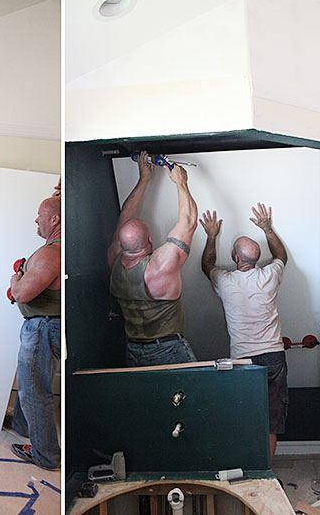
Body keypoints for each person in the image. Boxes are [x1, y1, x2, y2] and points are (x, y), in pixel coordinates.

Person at [199, 202, 288, 461]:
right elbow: (281, 255)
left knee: (244, 414)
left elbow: (206, 264)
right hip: (273, 356)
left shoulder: (224, 281)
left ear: (236, 259)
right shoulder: (271, 275)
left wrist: (212, 236)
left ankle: (249, 467)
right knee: (271, 418)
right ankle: (266, 472)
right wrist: (268, 229)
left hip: (242, 360)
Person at [107, 151, 198, 367]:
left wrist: (143, 180)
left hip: (133, 350)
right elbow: (189, 222)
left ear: (121, 243)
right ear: (150, 238)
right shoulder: (159, 267)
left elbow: (125, 219)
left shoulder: (113, 260)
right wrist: (181, 183)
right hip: (167, 349)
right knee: (195, 398)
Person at [8, 196, 61, 470]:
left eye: (40, 215)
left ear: (55, 219)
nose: (36, 220)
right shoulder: (56, 249)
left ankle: (46, 456)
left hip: (42, 327)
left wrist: (16, 279)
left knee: (33, 391)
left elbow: (20, 294)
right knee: (31, 385)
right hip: (45, 325)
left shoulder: (53, 253)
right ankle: (22, 426)